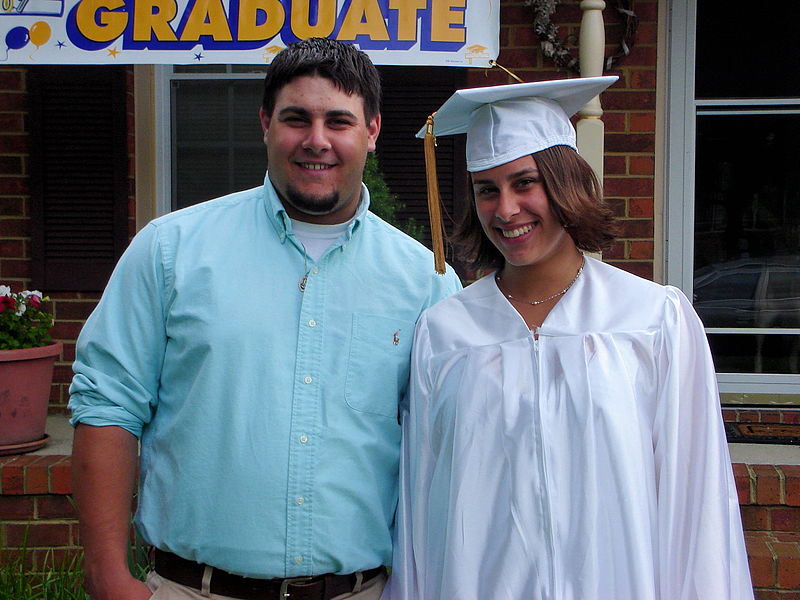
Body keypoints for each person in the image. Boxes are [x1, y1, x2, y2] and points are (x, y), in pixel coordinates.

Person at [69, 37, 461, 600]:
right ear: (265, 123)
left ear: (372, 132)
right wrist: (108, 575)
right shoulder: (171, 252)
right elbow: (108, 404)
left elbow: (445, 446)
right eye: (296, 118)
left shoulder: (427, 282)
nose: (317, 141)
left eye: (339, 121)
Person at [384, 77, 754, 600]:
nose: (505, 209)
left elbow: (696, 503)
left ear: (565, 184)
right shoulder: (446, 332)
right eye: (487, 189)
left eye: (524, 182)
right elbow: (421, 511)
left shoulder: (652, 319)